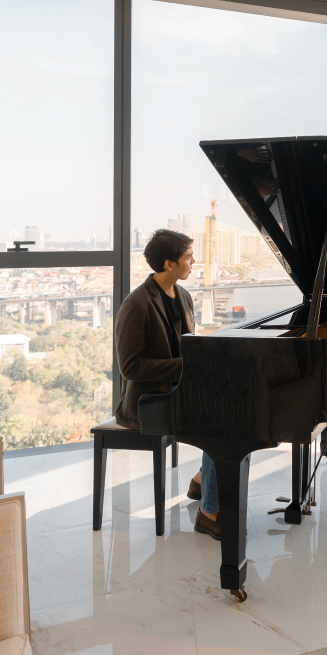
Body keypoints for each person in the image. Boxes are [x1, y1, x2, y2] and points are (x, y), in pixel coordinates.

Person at [114, 229, 220, 540]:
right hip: (148, 402)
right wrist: (188, 365)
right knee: (223, 423)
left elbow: (186, 346)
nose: (194, 261)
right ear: (169, 264)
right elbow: (130, 368)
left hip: (179, 391)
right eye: (189, 256)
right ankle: (209, 511)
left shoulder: (183, 296)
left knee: (234, 410)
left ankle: (203, 481)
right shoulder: (136, 305)